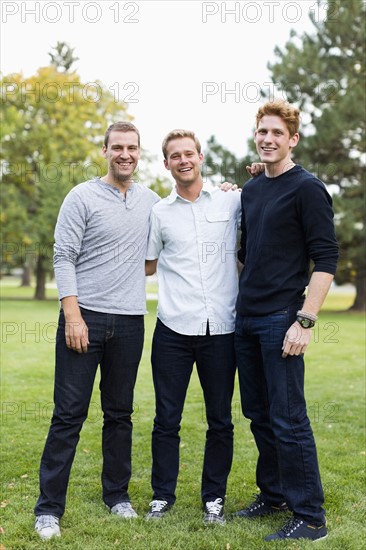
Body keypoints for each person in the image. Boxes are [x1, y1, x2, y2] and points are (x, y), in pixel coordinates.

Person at [34, 122, 160, 540]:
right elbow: (64, 255)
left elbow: (179, 224)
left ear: (139, 153)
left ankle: (117, 496)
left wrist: (232, 190)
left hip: (128, 322)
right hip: (83, 317)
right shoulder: (81, 196)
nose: (125, 154)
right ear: (104, 150)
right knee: (68, 415)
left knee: (119, 415)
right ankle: (49, 508)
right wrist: (72, 315)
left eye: (132, 148)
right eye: (117, 147)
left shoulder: (151, 202)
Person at [233, 99, 339, 542]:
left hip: (282, 320)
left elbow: (327, 257)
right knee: (257, 414)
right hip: (246, 319)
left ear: (292, 139)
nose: (269, 139)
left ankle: (310, 516)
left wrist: (306, 319)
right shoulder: (252, 189)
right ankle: (273, 493)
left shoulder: (308, 188)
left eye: (278, 133)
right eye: (263, 132)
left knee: (288, 417)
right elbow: (244, 254)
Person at [144, 129, 241, 526]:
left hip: (222, 329)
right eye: (174, 156)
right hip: (173, 330)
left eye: (189, 153)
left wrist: (252, 169)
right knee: (167, 419)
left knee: (220, 419)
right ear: (166, 164)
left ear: (200, 157)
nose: (183, 161)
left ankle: (213, 498)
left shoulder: (232, 200)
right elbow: (148, 264)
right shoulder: (159, 213)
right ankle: (161, 496)